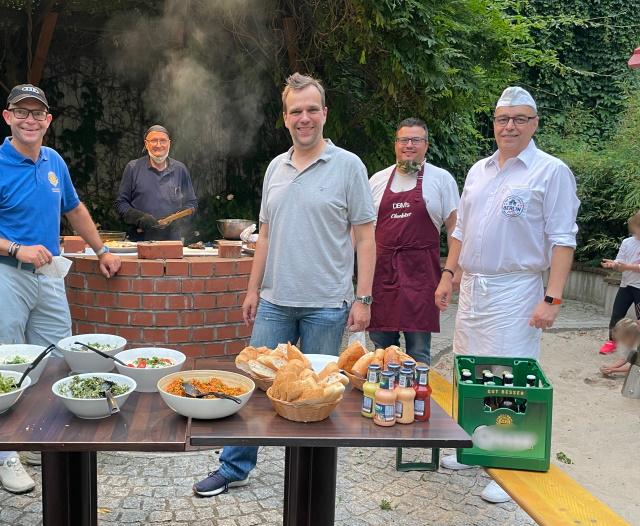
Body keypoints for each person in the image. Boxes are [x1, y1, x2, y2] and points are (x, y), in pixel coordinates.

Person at [192, 73, 376, 497]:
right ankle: (233, 466)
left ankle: (310, 478)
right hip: (275, 301)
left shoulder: (349, 166)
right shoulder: (276, 167)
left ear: (325, 113)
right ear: (285, 117)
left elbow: (366, 237)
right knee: (256, 389)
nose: (304, 118)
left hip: (327, 305)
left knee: (317, 395)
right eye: (296, 111)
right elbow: (266, 234)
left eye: (312, 109)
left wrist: (363, 298)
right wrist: (252, 289)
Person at [0, 84, 121, 493]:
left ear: (48, 120)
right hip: (3, 274)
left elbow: (74, 208)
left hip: (47, 277)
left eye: (38, 114)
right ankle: (5, 455)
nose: (30, 120)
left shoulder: (53, 161)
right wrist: (15, 248)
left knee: (53, 359)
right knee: (7, 363)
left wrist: (102, 250)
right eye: (21, 112)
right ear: (7, 117)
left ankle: (34, 436)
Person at [435, 86, 580, 504]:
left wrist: (551, 298)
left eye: (519, 119)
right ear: (494, 124)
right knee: (471, 369)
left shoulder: (550, 172)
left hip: (518, 289)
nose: (510, 126)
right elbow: (461, 231)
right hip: (476, 288)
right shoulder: (479, 170)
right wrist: (449, 274)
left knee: (509, 376)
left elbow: (562, 240)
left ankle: (509, 465)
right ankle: (474, 445)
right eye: (503, 119)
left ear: (534, 124)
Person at [368, 117, 459, 365]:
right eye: (404, 140)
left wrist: (450, 274)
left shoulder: (441, 179)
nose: (409, 145)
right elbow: (364, 234)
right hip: (382, 278)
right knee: (380, 355)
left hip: (421, 279)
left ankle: (416, 403)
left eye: (416, 140)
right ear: (395, 144)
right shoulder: (376, 180)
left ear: (426, 145)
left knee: (417, 356)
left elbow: (455, 228)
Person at [114, 125, 198, 241]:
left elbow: (191, 203)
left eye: (163, 141)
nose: (158, 145)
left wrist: (175, 221)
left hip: (172, 241)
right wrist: (139, 218)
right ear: (146, 144)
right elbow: (121, 203)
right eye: (154, 141)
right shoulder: (133, 168)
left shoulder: (180, 169)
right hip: (139, 239)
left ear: (169, 143)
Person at [599, 210, 640, 354]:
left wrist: (626, 266)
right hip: (626, 284)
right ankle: (612, 341)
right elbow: (620, 261)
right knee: (616, 314)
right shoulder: (627, 242)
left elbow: (628, 265)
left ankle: (635, 346)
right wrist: (613, 264)